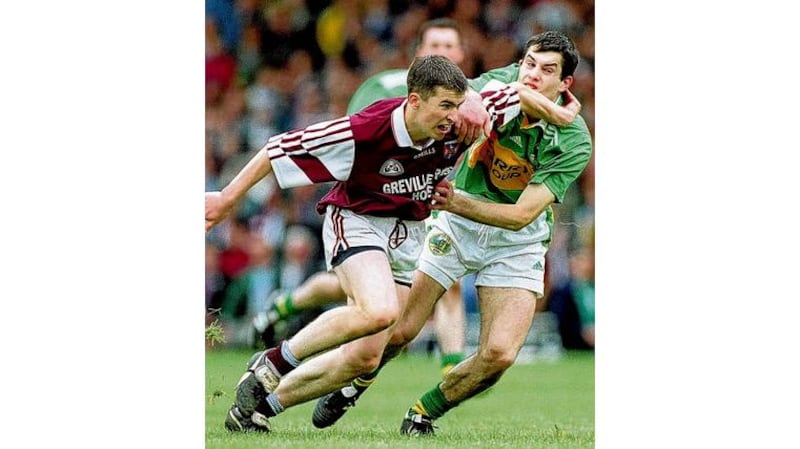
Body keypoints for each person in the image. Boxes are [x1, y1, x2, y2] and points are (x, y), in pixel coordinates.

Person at [207, 55, 524, 432]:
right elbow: (280, 149)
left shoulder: (464, 120)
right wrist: (226, 198)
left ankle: (257, 409)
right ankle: (273, 362)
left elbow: (521, 90)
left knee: (364, 359)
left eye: (456, 106)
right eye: (444, 106)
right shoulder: (365, 131)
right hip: (356, 220)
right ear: (414, 100)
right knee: (378, 311)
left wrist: (487, 100)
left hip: (408, 233)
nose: (452, 117)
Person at [312, 30, 593, 436]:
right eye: (528, 64)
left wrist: (452, 199)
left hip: (515, 238)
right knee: (402, 330)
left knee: (498, 355)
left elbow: (520, 216)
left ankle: (423, 412)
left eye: (547, 71)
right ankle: (354, 383)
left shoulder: (574, 139)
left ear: (565, 84)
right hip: (455, 227)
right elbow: (465, 97)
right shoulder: (501, 83)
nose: (532, 75)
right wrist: (482, 101)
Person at [251, 18, 472, 375]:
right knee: (355, 295)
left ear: (462, 53)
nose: (443, 53)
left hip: (424, 206)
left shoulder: (468, 104)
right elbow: (360, 139)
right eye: (435, 47)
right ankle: (288, 306)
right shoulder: (385, 87)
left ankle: (448, 370)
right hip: (370, 204)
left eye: (449, 47)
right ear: (419, 55)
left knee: (445, 283)